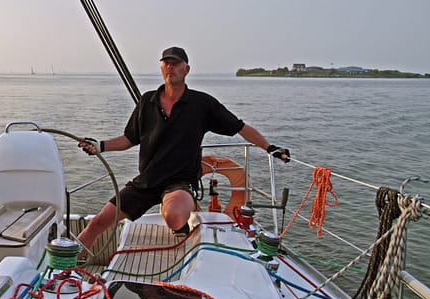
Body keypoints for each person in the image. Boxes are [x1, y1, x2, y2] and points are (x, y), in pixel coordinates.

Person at [76, 46, 289, 253]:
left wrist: (269, 148)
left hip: (180, 181)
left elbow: (240, 127)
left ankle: (182, 229)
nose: (170, 67)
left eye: (176, 63)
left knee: (173, 216)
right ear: (161, 69)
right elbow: (130, 138)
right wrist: (100, 146)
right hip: (146, 181)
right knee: (98, 222)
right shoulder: (146, 101)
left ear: (186, 69)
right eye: (166, 63)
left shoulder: (202, 104)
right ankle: (67, 269)